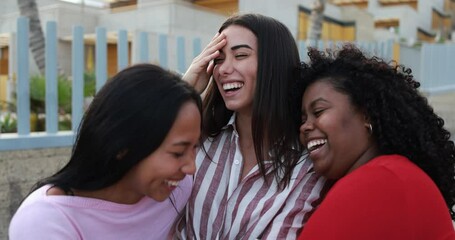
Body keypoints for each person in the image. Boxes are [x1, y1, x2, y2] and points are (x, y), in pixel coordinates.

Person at [175, 13, 327, 239]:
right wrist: (183, 90)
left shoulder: (305, 164)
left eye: (241, 55)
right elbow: (129, 164)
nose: (223, 69)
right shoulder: (199, 137)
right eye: (218, 59)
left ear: (274, 65)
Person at [9, 64, 202, 239]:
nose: (191, 168)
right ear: (121, 146)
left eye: (194, 148)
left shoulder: (176, 191)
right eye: (177, 153)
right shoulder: (45, 221)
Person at [297, 45, 455, 239]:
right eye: (303, 119)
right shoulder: (395, 174)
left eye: (319, 111)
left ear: (366, 115)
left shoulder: (381, 181)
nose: (305, 127)